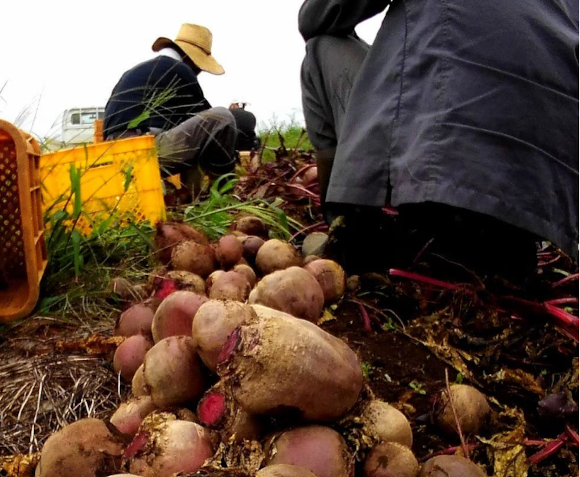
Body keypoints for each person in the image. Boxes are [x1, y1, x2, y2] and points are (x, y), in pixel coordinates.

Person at [299, 0, 579, 280]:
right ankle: (503, 244)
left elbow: (314, 18)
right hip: (543, 194)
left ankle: (350, 229)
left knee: (321, 45)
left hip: (441, 163)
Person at [104, 23, 259, 198]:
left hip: (116, 156)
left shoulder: (138, 71)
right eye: (199, 66)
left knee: (193, 135)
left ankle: (191, 198)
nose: (199, 71)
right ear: (188, 57)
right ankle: (225, 193)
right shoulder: (179, 69)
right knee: (222, 117)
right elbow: (214, 125)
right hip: (143, 152)